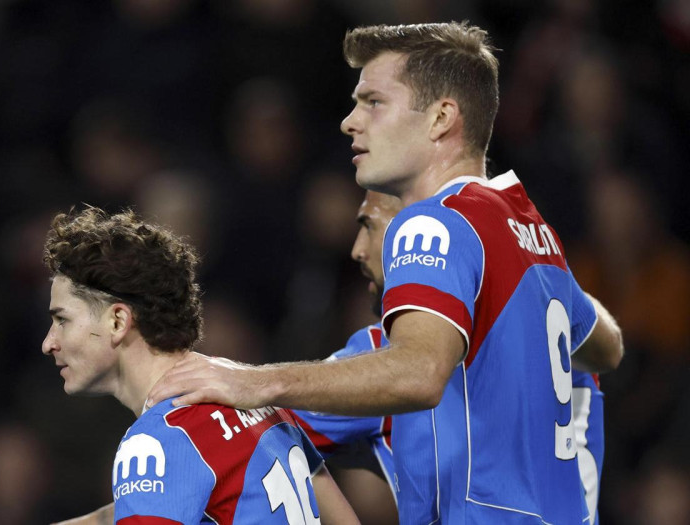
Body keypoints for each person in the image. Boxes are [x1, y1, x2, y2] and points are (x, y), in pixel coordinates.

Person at [147, 22, 623, 524]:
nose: (349, 122)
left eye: (373, 102)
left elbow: (419, 372)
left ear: (441, 118)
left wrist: (255, 381)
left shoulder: (434, 221)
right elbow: (607, 347)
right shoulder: (528, 227)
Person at [42, 207, 357, 524]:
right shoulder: (258, 404)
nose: (49, 342)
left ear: (118, 321)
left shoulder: (156, 442)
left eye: (62, 320)